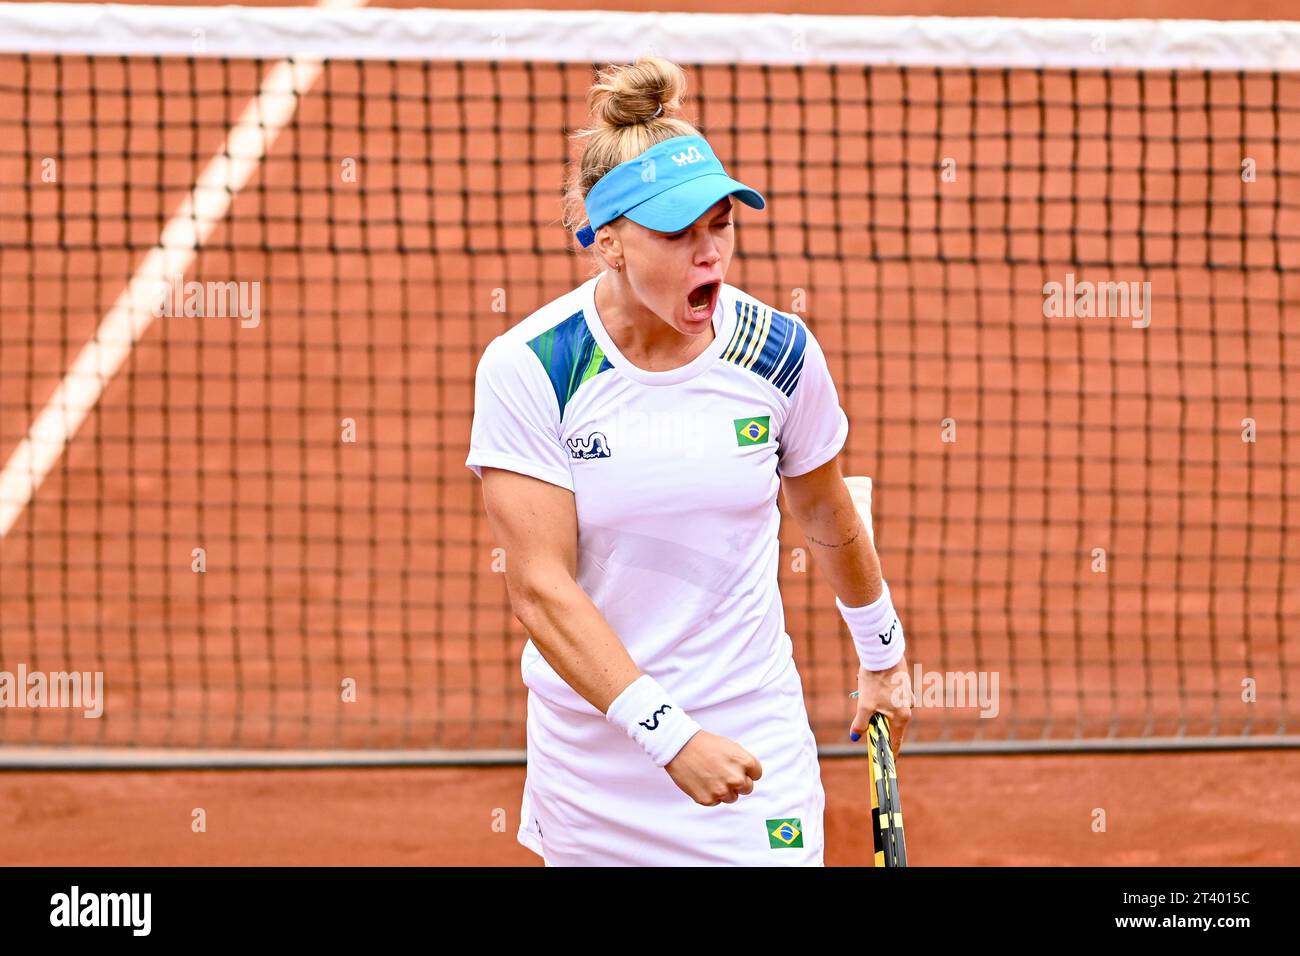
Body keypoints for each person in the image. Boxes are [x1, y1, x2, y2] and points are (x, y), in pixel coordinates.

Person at [466, 55, 912, 866]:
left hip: (750, 745)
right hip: (597, 770)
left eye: (722, 224)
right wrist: (667, 735)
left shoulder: (779, 353)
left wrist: (883, 654)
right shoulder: (532, 367)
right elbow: (539, 587)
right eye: (677, 233)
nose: (710, 254)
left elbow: (822, 507)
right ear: (608, 243)